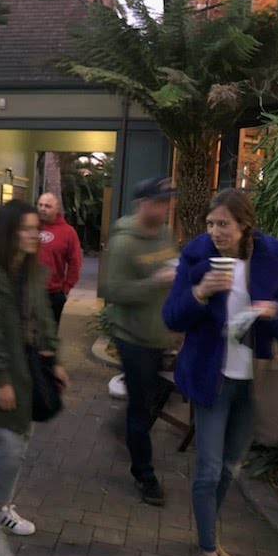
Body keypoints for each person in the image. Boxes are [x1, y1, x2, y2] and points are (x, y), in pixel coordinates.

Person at [162, 189, 278, 556]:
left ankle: (211, 534)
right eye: (210, 224)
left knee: (229, 468)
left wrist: (273, 311)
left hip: (254, 381)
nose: (215, 232)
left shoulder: (274, 259)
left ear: (244, 225)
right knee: (207, 469)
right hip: (212, 379)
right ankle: (209, 555)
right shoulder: (196, 257)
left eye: (223, 224)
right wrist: (200, 292)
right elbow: (172, 316)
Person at [0, 200, 70, 556]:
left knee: (18, 441)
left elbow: (42, 320)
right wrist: (0, 379)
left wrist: (52, 357)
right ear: (8, 232)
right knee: (7, 447)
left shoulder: (31, 271)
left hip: (26, 371)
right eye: (25, 228)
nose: (33, 234)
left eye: (34, 227)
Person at [103, 176, 178, 506]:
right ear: (141, 204)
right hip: (132, 338)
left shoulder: (165, 233)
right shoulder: (124, 243)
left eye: (167, 202)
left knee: (157, 396)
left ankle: (126, 427)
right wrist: (156, 280)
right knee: (141, 408)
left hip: (161, 333)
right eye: (158, 202)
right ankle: (145, 476)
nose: (164, 208)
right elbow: (114, 291)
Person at [36, 193, 82, 327]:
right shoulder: (30, 227)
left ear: (57, 209)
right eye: (40, 205)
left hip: (53, 294)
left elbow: (75, 262)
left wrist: (66, 289)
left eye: (48, 206)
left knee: (48, 335)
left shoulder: (68, 232)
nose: (43, 209)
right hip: (29, 292)